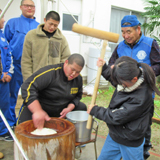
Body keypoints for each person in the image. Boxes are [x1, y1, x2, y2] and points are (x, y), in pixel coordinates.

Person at [87, 56, 160, 160]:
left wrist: (96, 110)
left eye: (122, 83)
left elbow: (117, 116)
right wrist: (104, 67)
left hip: (131, 139)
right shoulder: (129, 80)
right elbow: (116, 80)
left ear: (134, 79)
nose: (119, 84)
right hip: (115, 135)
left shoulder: (141, 97)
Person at [108, 15, 160, 159]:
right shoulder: (120, 46)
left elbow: (159, 65)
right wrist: (111, 68)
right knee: (121, 121)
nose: (125, 36)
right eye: (123, 32)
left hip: (144, 96)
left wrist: (143, 72)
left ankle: (143, 152)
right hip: (123, 95)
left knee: (143, 127)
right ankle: (118, 150)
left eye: (129, 32)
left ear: (138, 29)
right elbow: (111, 63)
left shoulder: (150, 44)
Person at [17, 53, 86, 129]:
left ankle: (73, 136)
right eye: (72, 69)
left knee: (82, 107)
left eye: (77, 72)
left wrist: (69, 108)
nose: (73, 74)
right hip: (41, 107)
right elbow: (26, 87)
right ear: (66, 63)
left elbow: (78, 96)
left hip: (60, 111)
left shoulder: (78, 79)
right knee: (23, 130)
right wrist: (37, 111)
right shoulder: (50, 73)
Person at [4, 0, 39, 128]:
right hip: (16, 67)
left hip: (32, 67)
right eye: (26, 6)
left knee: (31, 95)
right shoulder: (12, 23)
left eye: (32, 6)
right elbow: (5, 46)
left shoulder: (38, 26)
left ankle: (24, 122)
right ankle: (11, 124)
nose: (29, 8)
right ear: (21, 7)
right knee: (11, 95)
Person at [21, 10, 71, 82]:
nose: (52, 27)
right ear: (45, 20)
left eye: (55, 25)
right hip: (36, 79)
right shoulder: (31, 36)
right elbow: (26, 60)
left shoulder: (61, 39)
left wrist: (60, 78)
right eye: (50, 24)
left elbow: (65, 59)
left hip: (54, 81)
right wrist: (29, 80)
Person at [0, 9, 14, 141]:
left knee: (4, 104)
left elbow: (8, 55)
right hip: (1, 77)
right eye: (1, 17)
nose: (3, 20)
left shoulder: (2, 36)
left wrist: (8, 72)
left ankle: (3, 131)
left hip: (4, 80)